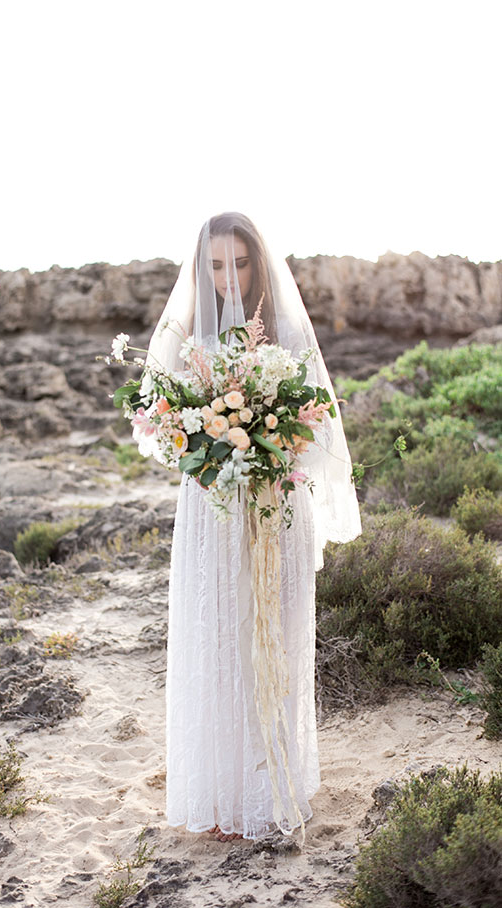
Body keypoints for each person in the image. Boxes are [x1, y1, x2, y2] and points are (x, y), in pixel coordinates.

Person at [146, 212, 362, 842]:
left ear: (257, 263)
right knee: (215, 638)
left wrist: (271, 440)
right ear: (200, 267)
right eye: (215, 265)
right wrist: (202, 436)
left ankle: (271, 786)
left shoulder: (287, 327)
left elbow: (314, 419)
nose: (229, 279)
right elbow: (159, 422)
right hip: (212, 508)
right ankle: (219, 796)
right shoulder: (184, 332)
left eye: (239, 263)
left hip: (275, 503)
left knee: (275, 632)